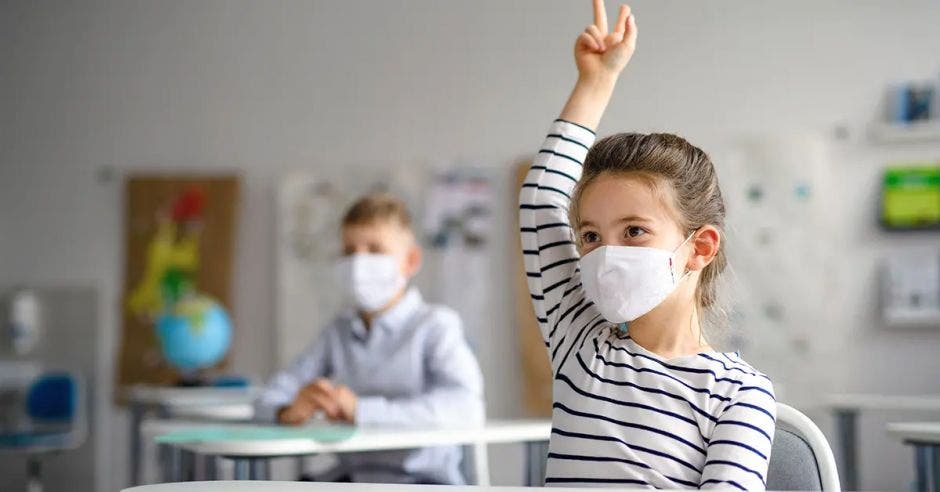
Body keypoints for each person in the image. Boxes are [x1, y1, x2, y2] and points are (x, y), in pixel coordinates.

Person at [519, 1, 776, 489]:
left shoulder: (737, 393)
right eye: (590, 235)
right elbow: (540, 202)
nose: (606, 253)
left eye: (634, 231)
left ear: (699, 248)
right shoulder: (581, 344)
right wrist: (595, 82)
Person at [255, 192, 485, 484]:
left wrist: (362, 411)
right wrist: (287, 411)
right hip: (354, 479)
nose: (358, 263)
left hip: (423, 482)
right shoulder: (337, 330)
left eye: (375, 249)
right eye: (349, 251)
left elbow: (465, 408)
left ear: (410, 261)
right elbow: (267, 398)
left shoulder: (436, 325)